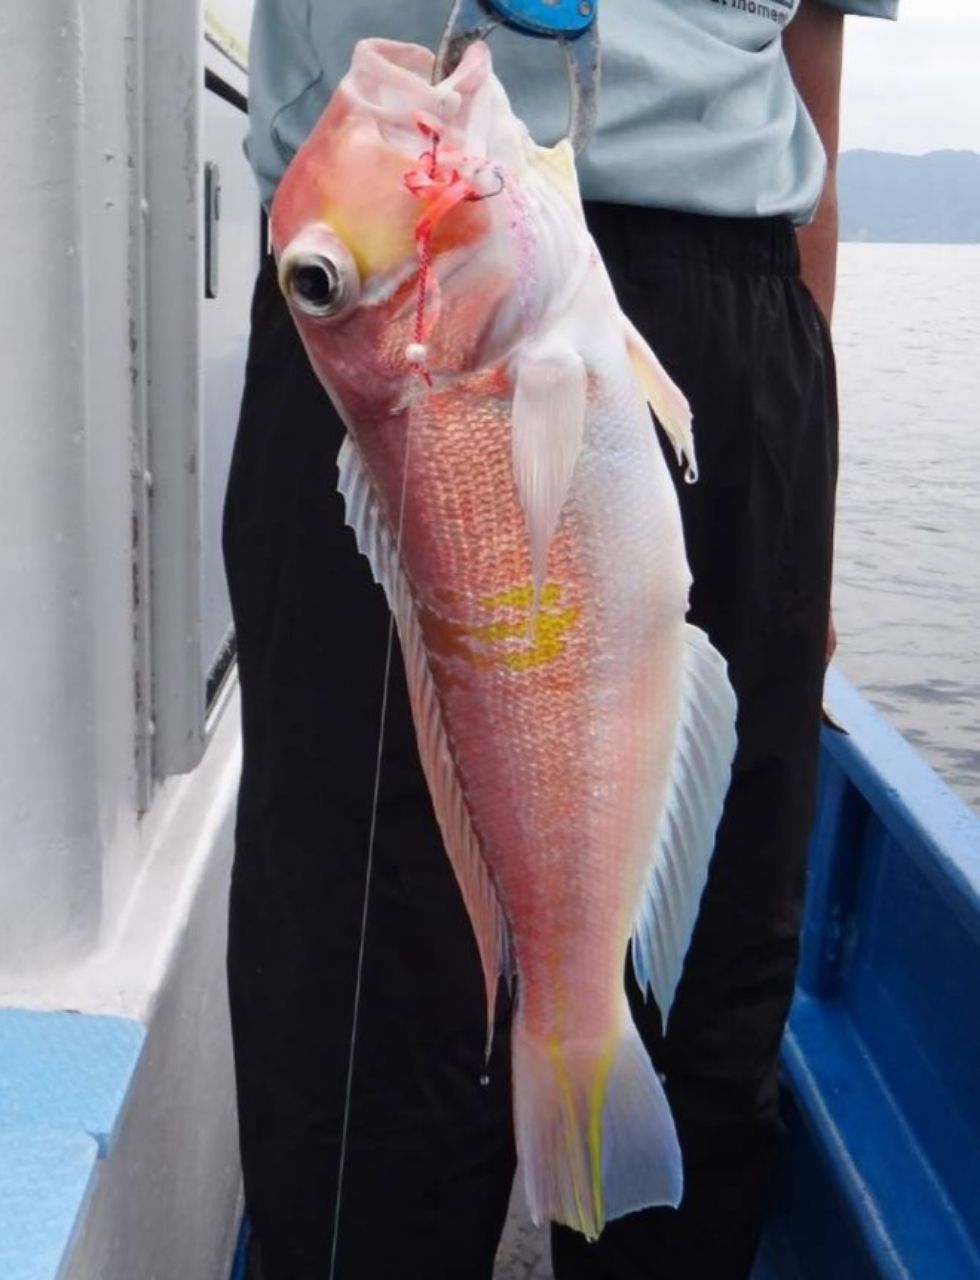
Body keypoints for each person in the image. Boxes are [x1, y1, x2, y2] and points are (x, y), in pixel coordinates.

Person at [223, 2, 897, 1278]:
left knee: (706, 997)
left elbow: (810, 61)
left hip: (712, 307)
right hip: (394, 295)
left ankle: (623, 1154)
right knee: (363, 1028)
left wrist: (802, 492)